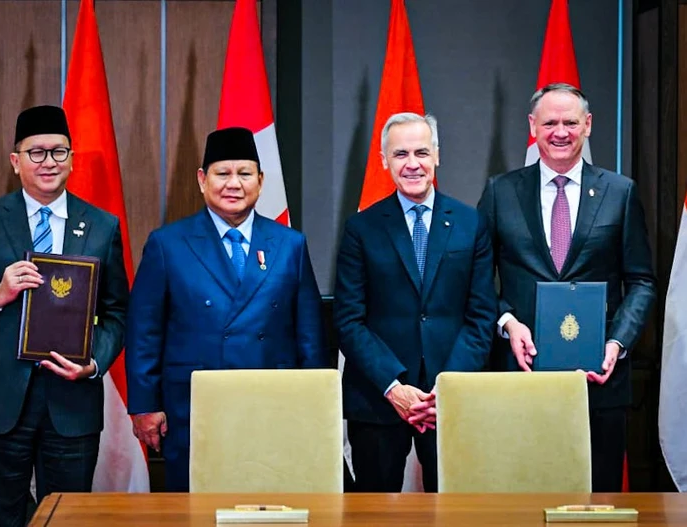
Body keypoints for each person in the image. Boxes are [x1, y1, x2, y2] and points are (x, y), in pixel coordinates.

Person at [0, 105, 129, 527]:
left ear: (72, 159)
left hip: (71, 400)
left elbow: (118, 312)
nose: (48, 163)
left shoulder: (101, 226)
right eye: (36, 153)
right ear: (15, 160)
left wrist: (93, 362)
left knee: (70, 519)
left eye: (59, 152)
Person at [125, 127, 328, 492]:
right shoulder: (168, 244)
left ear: (261, 181)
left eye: (245, 173)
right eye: (222, 173)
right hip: (194, 407)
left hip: (272, 405)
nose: (233, 183)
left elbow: (310, 335)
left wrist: (311, 403)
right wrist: (143, 405)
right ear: (203, 180)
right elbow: (144, 331)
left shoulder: (290, 244)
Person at [477, 83, 656, 492]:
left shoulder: (620, 191)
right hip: (522, 376)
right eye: (550, 122)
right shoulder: (500, 191)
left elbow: (642, 281)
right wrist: (507, 322)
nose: (561, 132)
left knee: (598, 501)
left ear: (588, 125)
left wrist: (617, 342)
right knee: (522, 496)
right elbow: (475, 278)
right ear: (533, 127)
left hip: (599, 380)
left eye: (571, 122)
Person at [334, 112, 496, 492]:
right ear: (384, 160)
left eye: (421, 152)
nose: (412, 164)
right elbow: (348, 320)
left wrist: (446, 387)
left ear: (437, 155)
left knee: (455, 514)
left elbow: (481, 315)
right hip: (378, 398)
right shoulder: (362, 228)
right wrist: (395, 387)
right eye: (400, 153)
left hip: (451, 398)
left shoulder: (471, 223)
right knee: (374, 517)